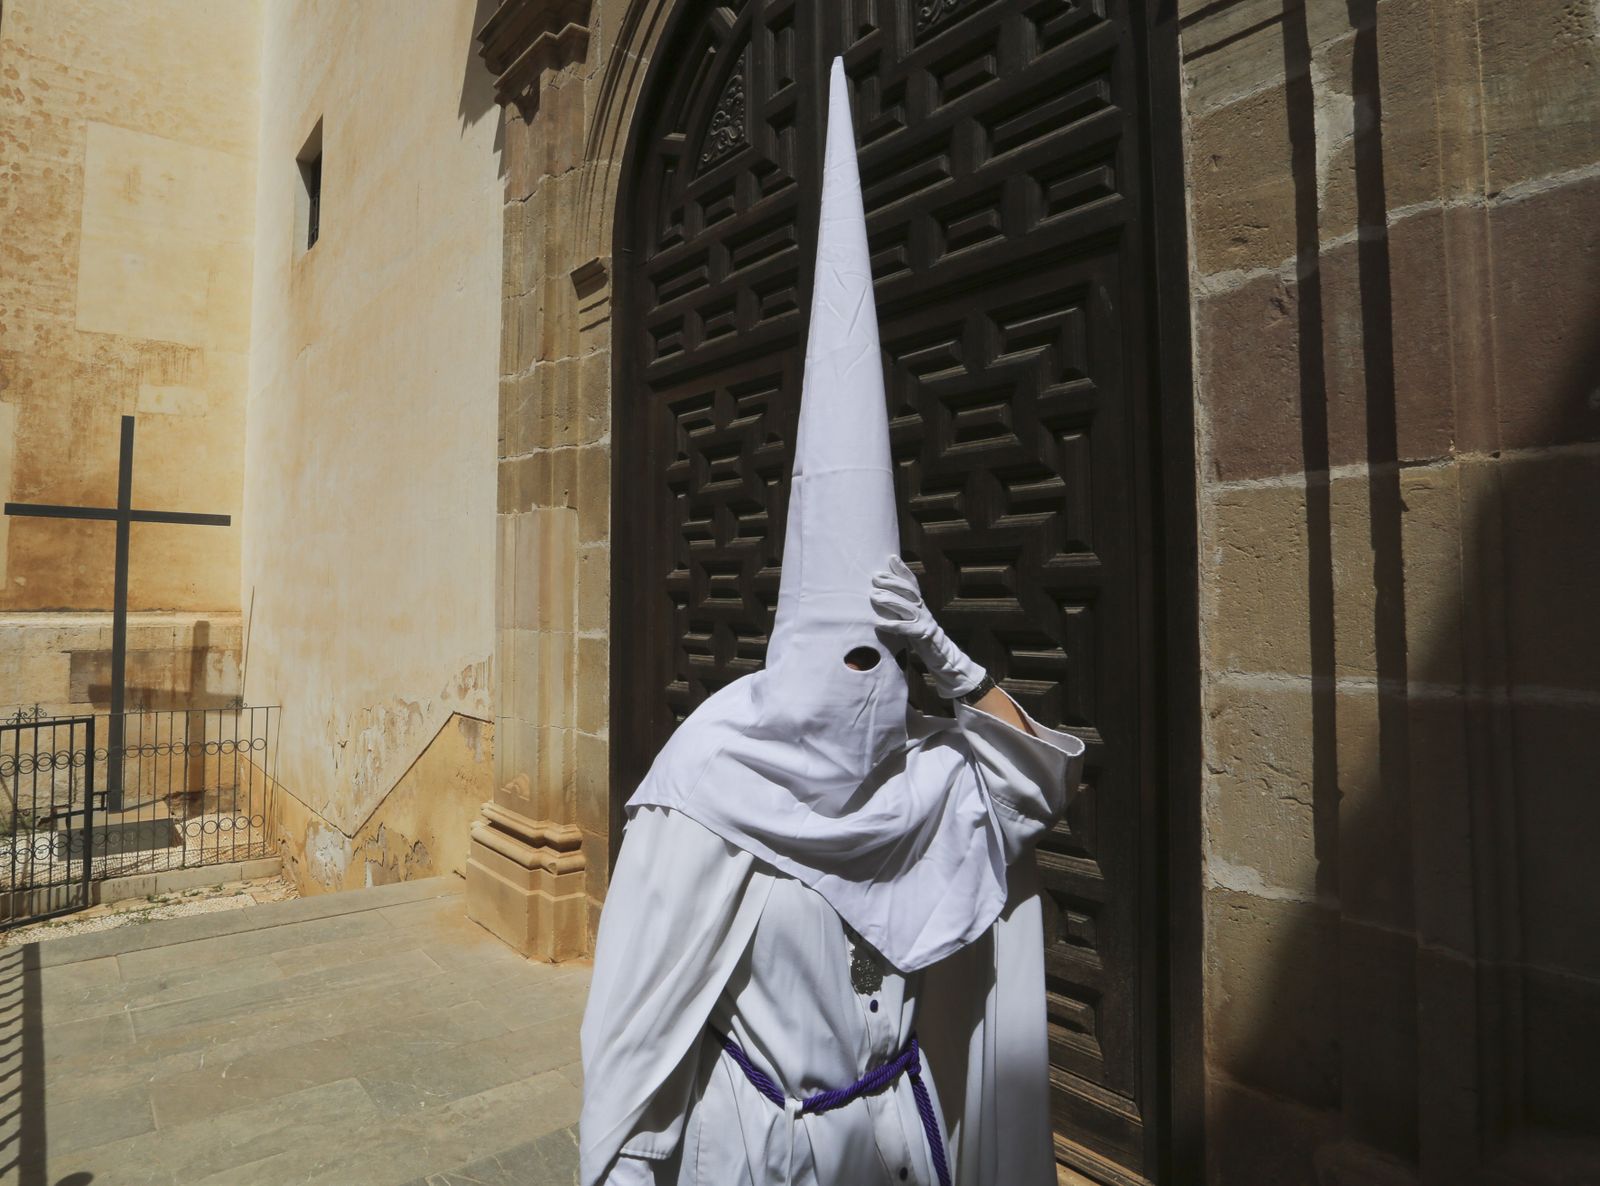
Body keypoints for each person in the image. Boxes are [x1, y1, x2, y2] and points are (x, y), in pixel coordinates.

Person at [578, 58, 1086, 1186]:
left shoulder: (910, 780)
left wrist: (948, 662)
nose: (863, 685)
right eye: (845, 659)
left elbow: (1037, 783)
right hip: (763, 1151)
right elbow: (632, 1029)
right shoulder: (711, 783)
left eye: (883, 664)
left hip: (898, 1144)